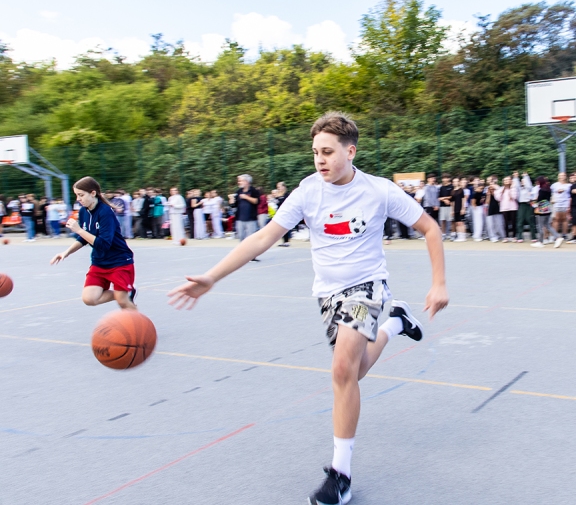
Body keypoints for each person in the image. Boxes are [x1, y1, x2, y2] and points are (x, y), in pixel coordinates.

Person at [166, 112, 448, 505]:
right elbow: (263, 237)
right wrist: (212, 277)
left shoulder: (379, 190)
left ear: (350, 151)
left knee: (342, 369)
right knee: (355, 370)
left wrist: (438, 283)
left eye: (328, 152)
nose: (320, 159)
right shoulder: (307, 191)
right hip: (328, 294)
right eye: (316, 152)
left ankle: (340, 475)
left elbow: (430, 228)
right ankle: (397, 324)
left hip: (367, 288)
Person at [50, 176, 137, 310]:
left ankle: (133, 312)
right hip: (99, 262)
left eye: (81, 195)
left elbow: (103, 244)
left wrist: (79, 230)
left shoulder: (105, 212)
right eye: (76, 195)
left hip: (119, 261)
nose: (78, 199)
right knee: (89, 299)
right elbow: (84, 238)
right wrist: (66, 252)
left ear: (93, 193)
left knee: (123, 302)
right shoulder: (83, 211)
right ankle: (126, 291)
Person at [234, 174, 260, 252]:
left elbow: (257, 201)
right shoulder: (238, 191)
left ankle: (252, 254)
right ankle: (243, 253)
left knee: (251, 238)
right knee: (241, 237)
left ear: (246, 182)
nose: (239, 182)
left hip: (251, 219)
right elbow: (235, 204)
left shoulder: (253, 191)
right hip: (240, 218)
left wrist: (246, 197)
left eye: (241, 181)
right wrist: (232, 201)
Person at [533, 176, 559, 247]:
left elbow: (539, 200)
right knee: (547, 225)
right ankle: (557, 237)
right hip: (548, 207)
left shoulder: (541, 190)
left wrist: (533, 202)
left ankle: (540, 241)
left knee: (540, 226)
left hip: (541, 208)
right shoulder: (548, 189)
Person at [514, 171, 535, 243]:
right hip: (521, 205)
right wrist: (516, 177)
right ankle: (520, 236)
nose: (523, 182)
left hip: (528, 205)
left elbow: (528, 184)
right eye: (521, 181)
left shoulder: (529, 188)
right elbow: (516, 185)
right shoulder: (519, 189)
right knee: (520, 221)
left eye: (524, 181)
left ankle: (533, 237)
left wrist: (525, 176)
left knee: (531, 220)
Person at [496, 176, 518, 243]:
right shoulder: (501, 189)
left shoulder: (513, 188)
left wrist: (511, 188)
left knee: (513, 222)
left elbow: (514, 197)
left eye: (508, 180)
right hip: (504, 208)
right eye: (505, 180)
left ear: (510, 181)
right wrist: (502, 192)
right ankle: (506, 237)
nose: (506, 181)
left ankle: (514, 236)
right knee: (505, 223)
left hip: (513, 207)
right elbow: (498, 198)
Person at [551, 172, 571, 246]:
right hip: (556, 204)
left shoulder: (569, 185)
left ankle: (564, 234)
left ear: (565, 177)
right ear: (558, 177)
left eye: (563, 175)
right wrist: (552, 200)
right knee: (556, 219)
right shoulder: (554, 185)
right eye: (560, 175)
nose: (562, 177)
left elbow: (570, 196)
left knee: (564, 219)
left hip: (565, 204)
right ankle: (555, 235)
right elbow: (552, 193)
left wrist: (569, 205)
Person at [485, 176, 504, 242]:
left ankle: (500, 235)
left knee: (499, 223)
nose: (491, 184)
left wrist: (494, 192)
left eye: (492, 182)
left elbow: (499, 199)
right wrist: (489, 194)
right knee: (490, 224)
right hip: (490, 208)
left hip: (498, 207)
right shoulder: (487, 190)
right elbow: (487, 202)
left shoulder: (499, 188)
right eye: (490, 182)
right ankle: (492, 236)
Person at [437, 174, 454, 240]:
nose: (445, 179)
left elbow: (452, 196)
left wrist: (444, 198)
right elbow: (439, 198)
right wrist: (444, 200)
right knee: (443, 221)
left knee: (451, 220)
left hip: (450, 206)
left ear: (449, 179)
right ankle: (443, 234)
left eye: (446, 178)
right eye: (444, 178)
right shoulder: (441, 187)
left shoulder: (452, 187)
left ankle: (452, 234)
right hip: (442, 206)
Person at [451, 177, 467, 242]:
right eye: (454, 181)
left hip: (460, 208)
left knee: (461, 223)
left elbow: (463, 200)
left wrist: (463, 208)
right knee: (457, 223)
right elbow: (452, 202)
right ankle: (459, 236)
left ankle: (463, 236)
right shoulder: (452, 191)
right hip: (455, 209)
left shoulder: (461, 190)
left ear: (459, 182)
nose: (455, 183)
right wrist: (452, 210)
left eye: (457, 181)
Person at [470, 177, 485, 241]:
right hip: (477, 208)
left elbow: (481, 201)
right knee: (478, 222)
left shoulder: (481, 193)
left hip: (480, 207)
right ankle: (477, 236)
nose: (482, 189)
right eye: (480, 188)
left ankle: (477, 235)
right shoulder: (475, 193)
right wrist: (475, 208)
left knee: (479, 222)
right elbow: (473, 202)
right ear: (477, 187)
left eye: (482, 188)